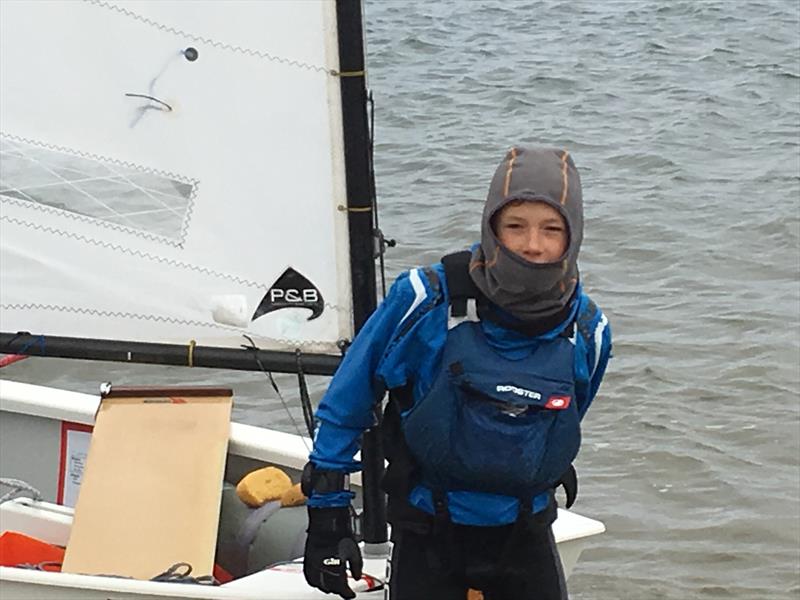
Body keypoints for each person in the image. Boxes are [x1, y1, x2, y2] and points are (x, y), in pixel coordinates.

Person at [301, 146, 612, 600]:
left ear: (574, 235)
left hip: (526, 532)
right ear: (491, 228)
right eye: (515, 226)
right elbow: (349, 400)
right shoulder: (424, 299)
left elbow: (570, 416)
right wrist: (327, 519)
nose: (532, 244)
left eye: (552, 229)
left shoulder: (588, 328)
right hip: (428, 532)